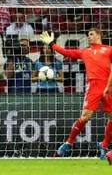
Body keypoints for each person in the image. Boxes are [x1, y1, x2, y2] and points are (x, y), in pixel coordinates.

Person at [40, 28, 112, 160]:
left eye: (91, 34)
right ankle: (68, 143)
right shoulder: (85, 51)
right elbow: (66, 52)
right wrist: (52, 44)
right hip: (93, 86)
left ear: (99, 35)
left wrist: (108, 86)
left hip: (108, 86)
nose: (89, 37)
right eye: (88, 35)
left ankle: (104, 145)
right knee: (85, 117)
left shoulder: (109, 49)